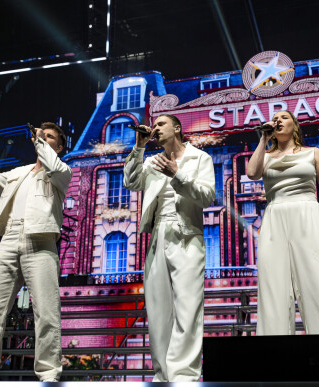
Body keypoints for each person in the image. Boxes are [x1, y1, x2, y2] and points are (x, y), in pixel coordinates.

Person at [246, 110, 319, 380]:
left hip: (307, 214)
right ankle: (272, 369)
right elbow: (251, 173)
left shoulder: (313, 153)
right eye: (275, 118)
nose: (278, 121)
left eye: (284, 117)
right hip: (275, 217)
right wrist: (263, 139)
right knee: (273, 291)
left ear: (295, 125)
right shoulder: (267, 155)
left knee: (318, 287)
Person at [0, 122, 72, 382]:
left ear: (59, 146)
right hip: (10, 238)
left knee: (46, 312)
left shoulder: (61, 171)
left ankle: (49, 373)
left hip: (41, 240)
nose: (42, 139)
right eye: (40, 135)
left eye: (49, 137)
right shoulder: (19, 172)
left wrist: (40, 142)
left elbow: (53, 164)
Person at [123, 114, 215, 381]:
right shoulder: (152, 161)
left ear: (177, 128)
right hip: (158, 234)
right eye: (154, 125)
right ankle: (163, 375)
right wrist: (139, 146)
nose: (155, 128)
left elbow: (207, 196)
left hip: (187, 235)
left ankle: (183, 376)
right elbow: (131, 182)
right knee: (158, 308)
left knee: (188, 307)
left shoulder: (200, 158)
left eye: (160, 124)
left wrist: (177, 174)